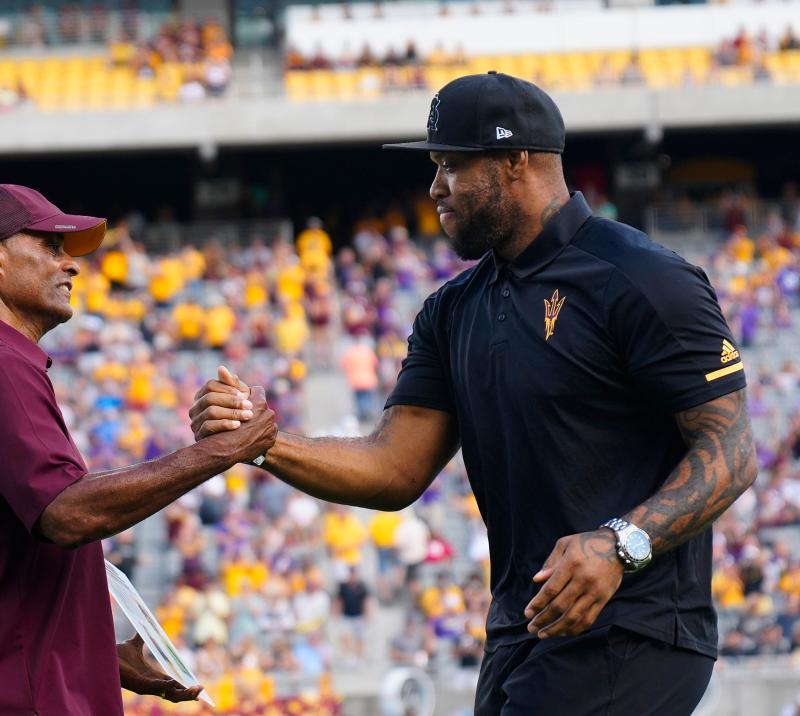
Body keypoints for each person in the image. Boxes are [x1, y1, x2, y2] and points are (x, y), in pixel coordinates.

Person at [190, 73, 758, 715]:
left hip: (634, 625)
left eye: (451, 166)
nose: (434, 187)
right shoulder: (452, 308)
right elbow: (394, 467)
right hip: (524, 629)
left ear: (517, 160)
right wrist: (263, 442)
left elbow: (733, 451)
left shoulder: (643, 277)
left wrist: (620, 543)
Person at [0, 184, 277, 715]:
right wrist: (225, 451)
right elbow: (67, 512)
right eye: (51, 247)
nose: (71, 265)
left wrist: (95, 652)